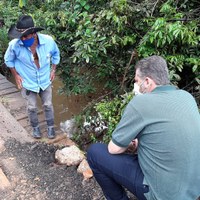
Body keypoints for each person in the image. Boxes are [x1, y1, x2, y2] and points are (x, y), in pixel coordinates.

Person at [87, 55, 200, 200]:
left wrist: (127, 145)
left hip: (164, 195)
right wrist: (138, 145)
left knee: (95, 152)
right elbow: (171, 137)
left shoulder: (140, 103)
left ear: (147, 81)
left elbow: (113, 149)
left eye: (136, 81)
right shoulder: (186, 97)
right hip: (193, 188)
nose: (136, 86)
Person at [4, 15, 60, 139]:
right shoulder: (14, 45)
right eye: (20, 36)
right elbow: (8, 60)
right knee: (32, 107)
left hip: (45, 80)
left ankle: (50, 127)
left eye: (25, 36)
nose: (22, 39)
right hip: (28, 82)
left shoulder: (49, 42)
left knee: (48, 105)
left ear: (33, 33)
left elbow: (56, 54)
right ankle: (35, 128)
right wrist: (16, 75)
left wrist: (53, 70)